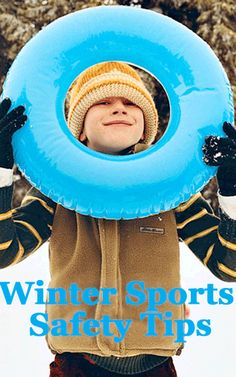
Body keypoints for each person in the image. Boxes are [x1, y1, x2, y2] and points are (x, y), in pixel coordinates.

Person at [0, 62, 236, 377]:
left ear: (146, 128)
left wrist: (232, 190)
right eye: (103, 101)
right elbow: (4, 250)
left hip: (155, 366)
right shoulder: (56, 192)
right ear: (79, 129)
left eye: (130, 103)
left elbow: (228, 265)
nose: (119, 109)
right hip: (76, 366)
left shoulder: (169, 191)